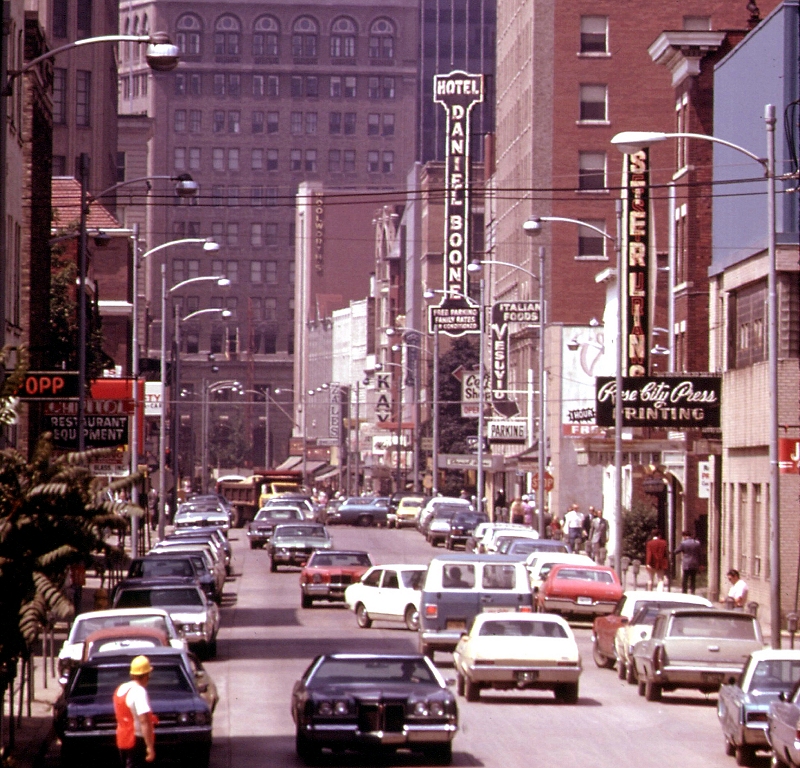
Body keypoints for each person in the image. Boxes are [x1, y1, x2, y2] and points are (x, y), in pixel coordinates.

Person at [114, 655, 157, 767]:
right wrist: (149, 746)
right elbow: (144, 721)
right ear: (147, 675)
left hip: (123, 738)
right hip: (136, 740)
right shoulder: (139, 692)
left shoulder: (122, 688)